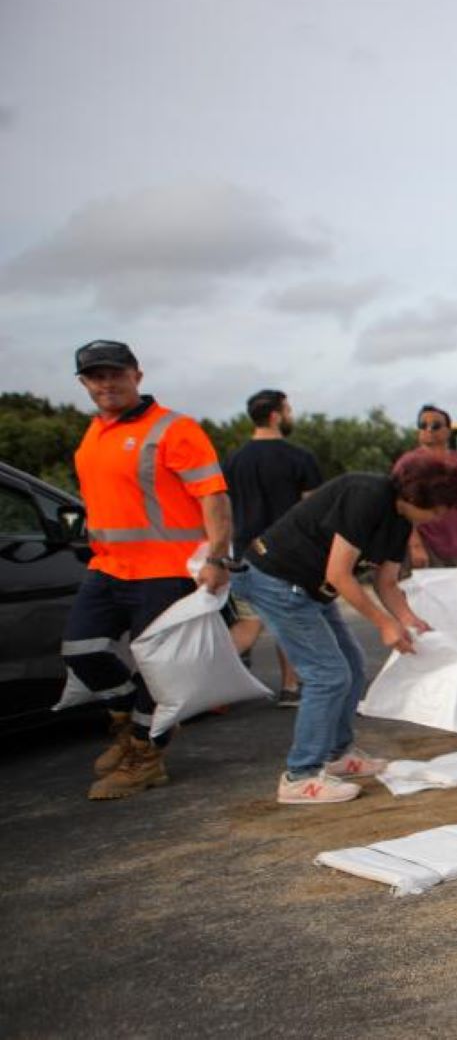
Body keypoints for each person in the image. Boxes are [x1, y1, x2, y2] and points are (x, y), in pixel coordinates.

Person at [233, 454, 457, 804]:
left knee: (351, 663)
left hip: (309, 587)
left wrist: (408, 619)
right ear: (417, 497)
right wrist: (383, 623)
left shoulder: (400, 521)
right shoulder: (366, 495)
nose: (439, 518)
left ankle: (336, 754)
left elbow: (387, 582)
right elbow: (339, 573)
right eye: (439, 510)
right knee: (327, 674)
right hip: (277, 579)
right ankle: (300, 776)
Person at [61, 340, 233, 801]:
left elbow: (213, 497)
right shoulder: (94, 433)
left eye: (115, 373)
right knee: (80, 649)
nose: (107, 383)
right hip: (108, 568)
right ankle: (126, 721)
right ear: (84, 383)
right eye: (96, 376)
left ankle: (145, 756)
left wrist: (217, 558)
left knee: (160, 674)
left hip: (165, 571)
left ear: (137, 375)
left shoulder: (174, 429)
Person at [223, 388, 322, 706]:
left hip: (243, 556)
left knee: (248, 625)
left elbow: (223, 508)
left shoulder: (234, 461)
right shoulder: (299, 458)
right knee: (288, 621)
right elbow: (312, 510)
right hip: (286, 557)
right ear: (276, 415)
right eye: (288, 409)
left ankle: (194, 681)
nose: (291, 415)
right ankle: (290, 687)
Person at [394, 404, 457, 572]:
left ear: (448, 431)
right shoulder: (408, 464)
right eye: (423, 425)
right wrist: (415, 545)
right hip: (429, 550)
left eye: (436, 425)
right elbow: (398, 507)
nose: (429, 429)